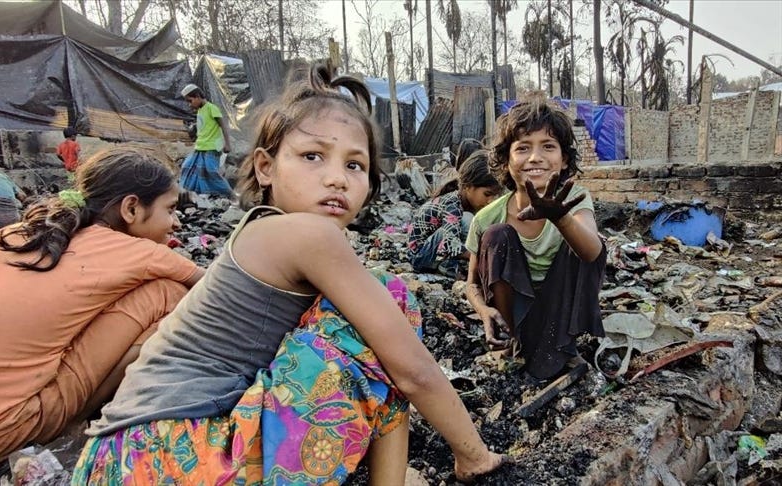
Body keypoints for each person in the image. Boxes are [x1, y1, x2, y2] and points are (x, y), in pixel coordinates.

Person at [73, 65, 510, 485]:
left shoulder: (258, 232)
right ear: (265, 166)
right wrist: (473, 450)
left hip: (119, 460)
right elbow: (413, 370)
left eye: (354, 165)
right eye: (312, 156)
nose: (336, 178)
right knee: (390, 296)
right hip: (175, 456)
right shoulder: (311, 235)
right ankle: (456, 464)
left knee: (373, 311)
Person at [0, 147, 206, 471]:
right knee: (168, 292)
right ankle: (78, 422)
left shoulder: (17, 233)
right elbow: (220, 291)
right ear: (131, 208)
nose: (176, 223)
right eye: (169, 210)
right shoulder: (141, 252)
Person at [464, 97, 607, 380]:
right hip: (515, 315)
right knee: (497, 236)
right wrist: (483, 312)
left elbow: (592, 254)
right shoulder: (487, 218)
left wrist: (560, 218)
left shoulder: (574, 203)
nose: (535, 157)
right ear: (506, 161)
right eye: (523, 148)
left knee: (588, 242)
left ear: (564, 159)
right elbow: (470, 284)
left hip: (560, 311)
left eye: (548, 146)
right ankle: (513, 342)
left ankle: (564, 343)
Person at [408, 150, 499, 278]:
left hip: (432, 252)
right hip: (420, 258)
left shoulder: (466, 203)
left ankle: (451, 265)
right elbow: (449, 244)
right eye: (487, 194)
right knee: (467, 220)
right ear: (468, 187)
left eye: (495, 195)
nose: (491, 201)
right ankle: (448, 267)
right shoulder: (452, 205)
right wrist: (482, 259)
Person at [179, 83, 234, 197]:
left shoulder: (211, 108)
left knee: (211, 172)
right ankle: (192, 193)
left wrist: (227, 144)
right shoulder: (200, 110)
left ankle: (229, 194)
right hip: (201, 147)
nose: (189, 105)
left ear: (198, 96)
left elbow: (223, 126)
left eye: (190, 101)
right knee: (187, 167)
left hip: (212, 147)